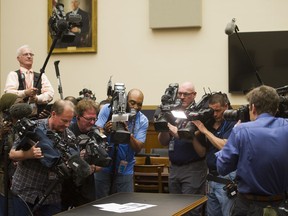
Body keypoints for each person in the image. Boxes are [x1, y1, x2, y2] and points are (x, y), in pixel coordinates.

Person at [216, 85, 288, 216]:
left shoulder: (240, 130)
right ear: (276, 108)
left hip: (248, 206)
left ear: (253, 107)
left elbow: (222, 167)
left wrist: (233, 135)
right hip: (281, 206)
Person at [9, 99, 76, 216]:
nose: (67, 125)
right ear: (54, 114)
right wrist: (29, 154)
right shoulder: (33, 127)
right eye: (64, 120)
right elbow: (12, 154)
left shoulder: (69, 136)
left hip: (51, 196)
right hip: (25, 191)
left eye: (70, 121)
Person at [157, 82, 207, 216]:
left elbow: (201, 150)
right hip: (174, 168)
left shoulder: (199, 112)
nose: (182, 97)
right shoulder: (174, 110)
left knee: (191, 210)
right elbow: (163, 142)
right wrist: (164, 127)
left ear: (194, 95)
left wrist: (178, 133)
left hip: (192, 169)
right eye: (180, 94)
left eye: (186, 94)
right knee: (175, 209)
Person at [94, 88, 148, 199]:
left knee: (124, 205)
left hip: (125, 169)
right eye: (132, 103)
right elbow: (95, 133)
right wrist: (105, 130)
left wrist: (128, 133)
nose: (135, 107)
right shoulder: (107, 109)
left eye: (139, 104)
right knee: (99, 205)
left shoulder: (142, 120)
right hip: (103, 166)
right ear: (125, 100)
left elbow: (138, 148)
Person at [192, 93, 237, 216]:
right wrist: (191, 134)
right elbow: (202, 152)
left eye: (218, 110)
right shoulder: (209, 122)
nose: (215, 114)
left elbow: (225, 146)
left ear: (226, 106)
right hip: (211, 179)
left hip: (226, 180)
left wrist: (205, 131)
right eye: (212, 111)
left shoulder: (232, 122)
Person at [61, 99, 99, 210]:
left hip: (87, 184)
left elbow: (103, 162)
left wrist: (93, 168)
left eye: (94, 119)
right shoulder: (66, 132)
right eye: (88, 119)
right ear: (77, 117)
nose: (92, 122)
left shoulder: (96, 133)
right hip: (67, 183)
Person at [4, 45, 54, 116]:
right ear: (18, 58)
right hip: (19, 116)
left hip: (39, 116)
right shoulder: (13, 74)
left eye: (31, 54)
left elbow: (50, 93)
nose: (29, 56)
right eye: (25, 54)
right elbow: (8, 93)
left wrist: (37, 98)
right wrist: (25, 93)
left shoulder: (41, 75)